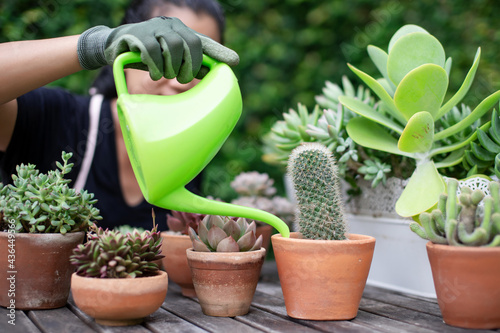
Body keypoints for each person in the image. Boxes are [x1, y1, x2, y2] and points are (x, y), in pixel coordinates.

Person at [0, 0, 239, 230]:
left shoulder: (191, 149)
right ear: (126, 52)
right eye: (164, 55)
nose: (180, 82)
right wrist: (97, 45)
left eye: (198, 63)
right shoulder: (58, 119)